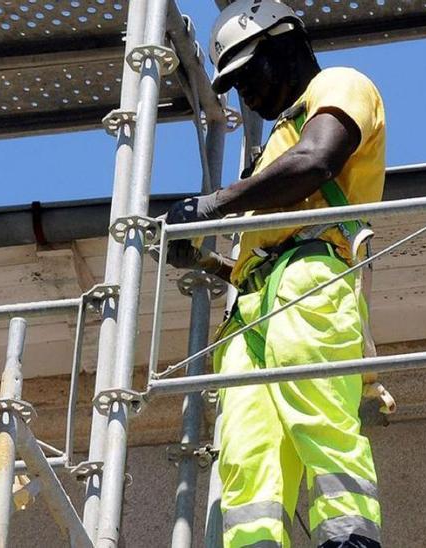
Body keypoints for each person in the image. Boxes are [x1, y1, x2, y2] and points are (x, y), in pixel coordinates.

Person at [164, 1, 385, 546]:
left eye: (248, 75)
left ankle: (350, 540)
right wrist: (209, 259)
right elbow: (262, 241)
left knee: (322, 426)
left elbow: (317, 162)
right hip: (251, 309)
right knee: (246, 457)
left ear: (286, 45)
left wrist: (213, 206)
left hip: (309, 282)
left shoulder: (339, 85)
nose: (247, 96)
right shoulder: (270, 152)